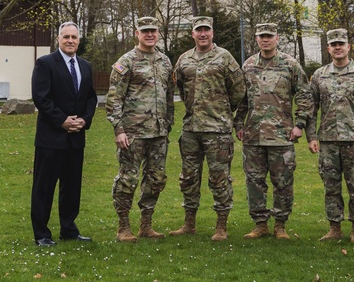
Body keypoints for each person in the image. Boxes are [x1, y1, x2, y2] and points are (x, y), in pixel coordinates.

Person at [235, 22, 314, 240]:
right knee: (254, 181)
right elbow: (242, 99)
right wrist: (238, 124)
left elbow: (305, 95)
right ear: (257, 39)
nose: (265, 39)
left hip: (282, 135)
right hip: (253, 135)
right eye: (262, 36)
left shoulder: (290, 64)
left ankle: (280, 224)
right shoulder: (248, 65)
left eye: (269, 36)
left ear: (276, 38)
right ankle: (260, 224)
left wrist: (300, 124)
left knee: (283, 182)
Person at [170, 15, 246, 241]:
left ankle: (221, 226)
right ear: (192, 33)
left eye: (206, 30)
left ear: (212, 33)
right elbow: (180, 87)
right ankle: (189, 223)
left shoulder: (225, 58)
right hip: (191, 129)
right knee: (189, 178)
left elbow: (239, 89)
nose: (202, 34)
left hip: (218, 131)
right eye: (198, 30)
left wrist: (223, 109)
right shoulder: (184, 59)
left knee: (219, 178)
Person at [306, 28, 354, 244]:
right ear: (328, 48)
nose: (338, 47)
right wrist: (311, 136)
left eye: (341, 43)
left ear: (348, 47)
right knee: (330, 186)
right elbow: (311, 109)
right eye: (334, 44)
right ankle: (334, 227)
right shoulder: (320, 75)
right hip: (328, 141)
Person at [105, 16, 175, 242]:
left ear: (158, 33)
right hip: (133, 133)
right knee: (128, 179)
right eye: (145, 31)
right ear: (138, 33)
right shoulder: (127, 61)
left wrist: (168, 123)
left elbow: (169, 96)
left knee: (156, 179)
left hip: (158, 133)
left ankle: (146, 224)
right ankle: (123, 226)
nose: (150, 35)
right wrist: (119, 129)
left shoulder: (164, 61)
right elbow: (114, 98)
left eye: (153, 31)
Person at [30, 22, 98, 246]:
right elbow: (41, 97)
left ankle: (69, 229)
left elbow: (90, 98)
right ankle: (42, 234)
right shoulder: (45, 63)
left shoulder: (85, 65)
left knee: (72, 189)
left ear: (79, 40)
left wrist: (84, 120)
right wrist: (62, 121)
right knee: (44, 188)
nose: (70, 40)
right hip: (51, 139)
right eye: (66, 36)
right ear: (58, 39)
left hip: (76, 139)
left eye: (74, 37)